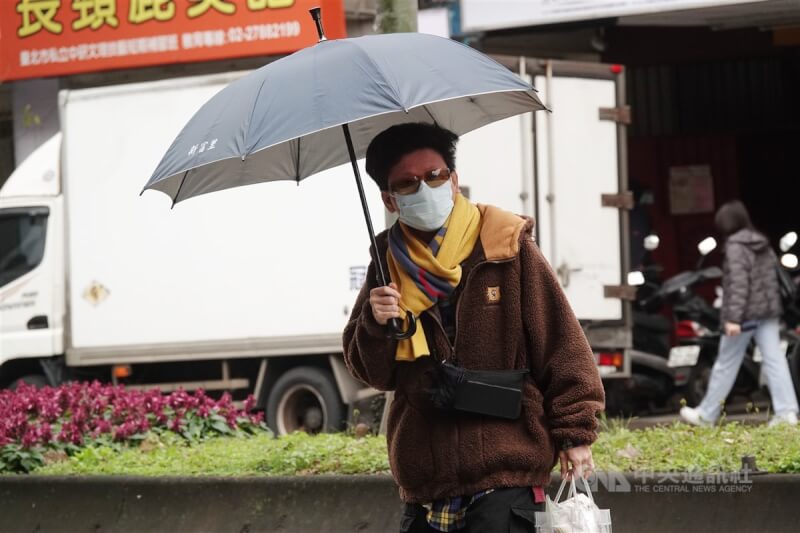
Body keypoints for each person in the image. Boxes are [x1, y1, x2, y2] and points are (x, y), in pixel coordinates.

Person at [342, 123, 605, 532]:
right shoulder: (385, 265)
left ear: (454, 180)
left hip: (507, 470)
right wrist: (374, 324)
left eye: (435, 176)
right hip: (425, 479)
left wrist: (576, 434)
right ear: (389, 199)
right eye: (408, 184)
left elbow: (561, 342)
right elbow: (374, 373)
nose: (425, 189)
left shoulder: (505, 245)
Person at [681, 200, 799, 427]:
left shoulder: (736, 246)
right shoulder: (761, 242)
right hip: (767, 312)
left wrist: (733, 318)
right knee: (774, 360)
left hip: (744, 316)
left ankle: (706, 414)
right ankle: (787, 412)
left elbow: (738, 284)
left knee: (726, 361)